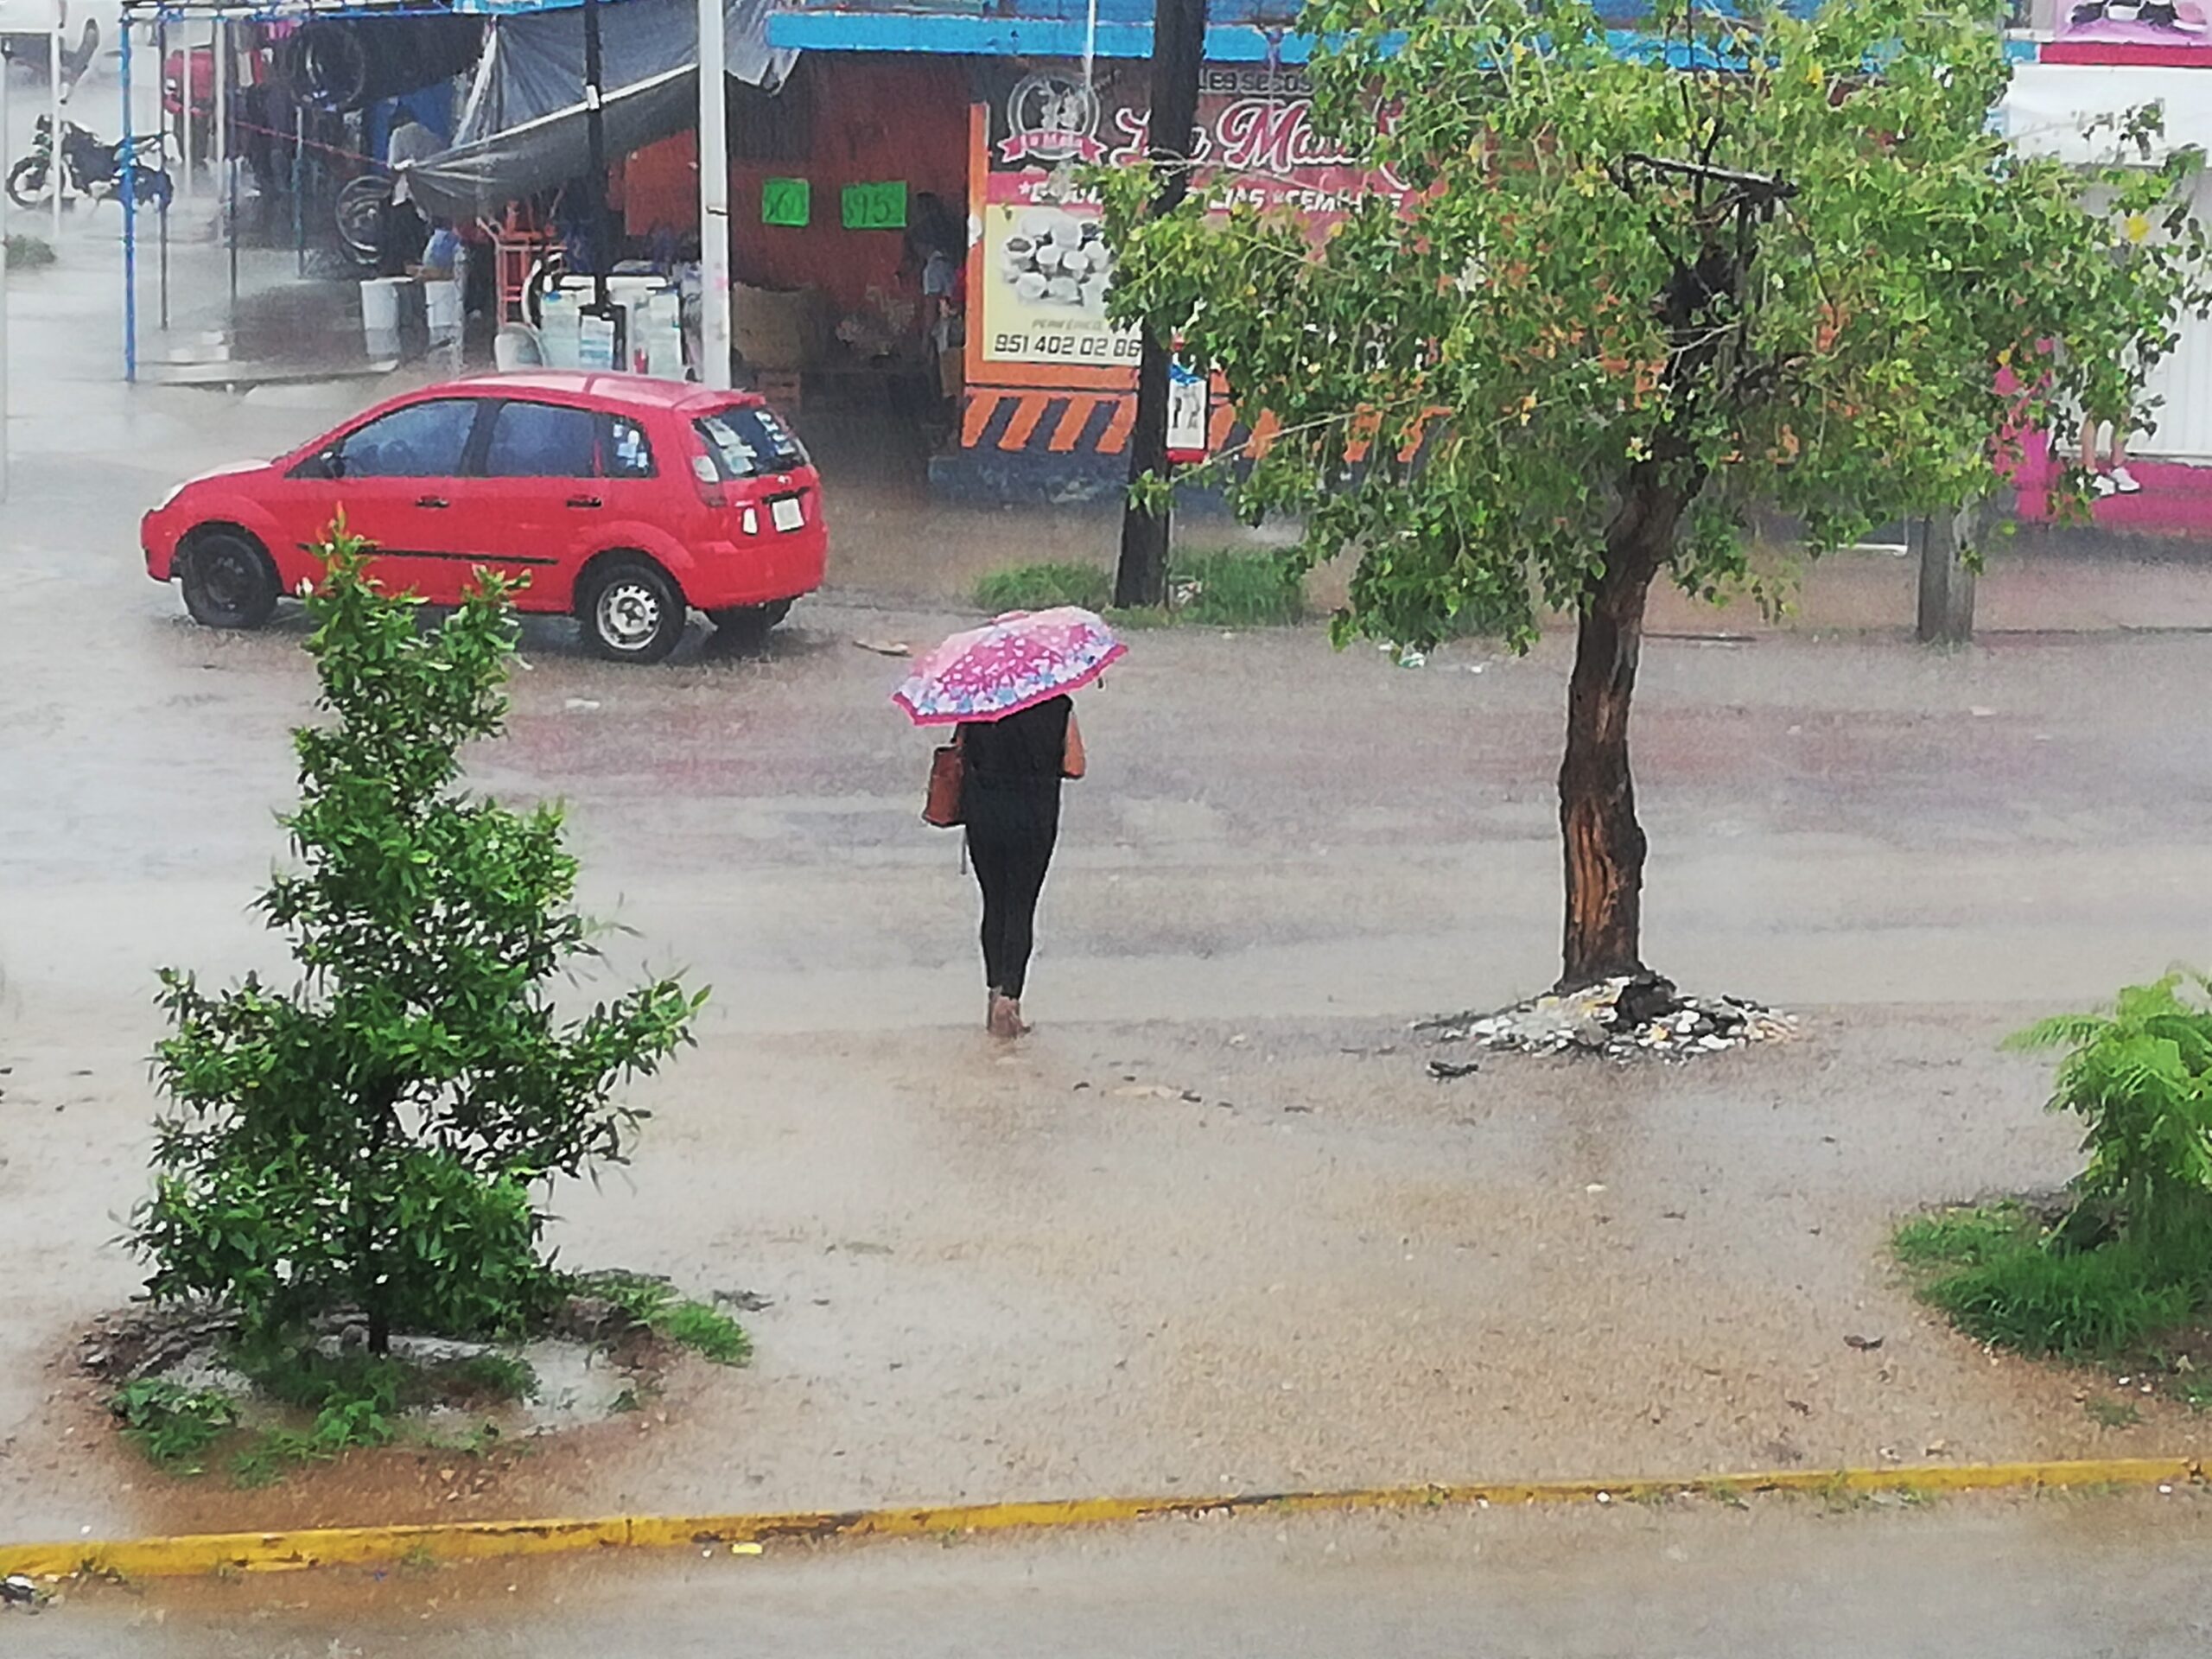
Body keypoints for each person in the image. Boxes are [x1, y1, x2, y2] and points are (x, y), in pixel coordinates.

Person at [958, 693, 1085, 1039]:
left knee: (994, 903)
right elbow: (1075, 766)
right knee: (1021, 905)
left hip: (984, 813)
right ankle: (1011, 1001)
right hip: (1035, 816)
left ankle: (994, 993)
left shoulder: (976, 701)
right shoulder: (1058, 703)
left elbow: (961, 753)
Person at [381, 111, 437, 277]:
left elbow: (393, 167)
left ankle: (400, 271)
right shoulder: (430, 136)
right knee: (419, 240)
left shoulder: (398, 135)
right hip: (427, 198)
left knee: (400, 241)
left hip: (405, 196)